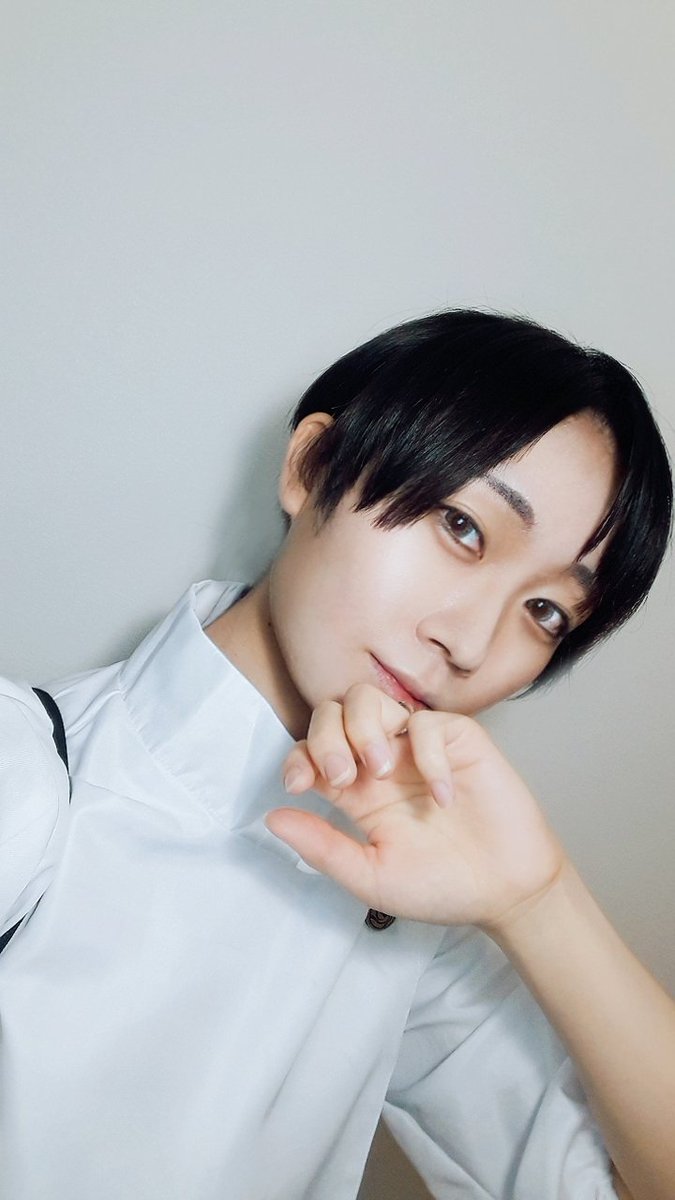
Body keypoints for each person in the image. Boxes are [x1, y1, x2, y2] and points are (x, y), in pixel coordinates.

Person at [0, 310, 672, 1200]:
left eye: (545, 613)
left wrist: (539, 902)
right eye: (462, 527)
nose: (471, 642)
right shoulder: (31, 779)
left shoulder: (410, 920)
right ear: (311, 466)